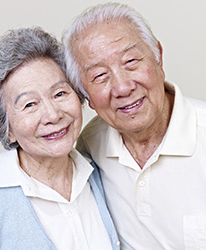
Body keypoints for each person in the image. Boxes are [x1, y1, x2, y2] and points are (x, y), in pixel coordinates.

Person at [0, 26, 120, 250]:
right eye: (29, 104)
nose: (53, 115)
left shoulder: (104, 170)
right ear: (6, 128)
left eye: (60, 93)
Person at [62, 2, 206, 250]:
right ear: (85, 95)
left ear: (158, 57)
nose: (122, 87)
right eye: (100, 76)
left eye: (131, 61)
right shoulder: (89, 144)